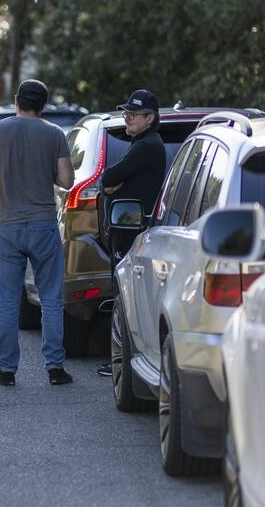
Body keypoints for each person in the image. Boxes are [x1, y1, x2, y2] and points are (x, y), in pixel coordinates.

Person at [0, 79, 76, 387]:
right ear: (43, 105)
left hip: (8, 227)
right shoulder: (55, 134)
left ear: (16, 100)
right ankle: (55, 368)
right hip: (43, 225)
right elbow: (67, 180)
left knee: (7, 302)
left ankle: (6, 370)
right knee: (52, 300)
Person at [96, 89, 166, 377]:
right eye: (126, 113)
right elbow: (106, 182)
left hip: (133, 232)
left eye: (134, 114)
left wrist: (113, 186)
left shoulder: (146, 146)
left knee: (125, 300)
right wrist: (110, 185)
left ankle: (121, 360)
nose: (128, 117)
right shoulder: (140, 143)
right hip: (128, 230)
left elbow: (110, 178)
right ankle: (119, 358)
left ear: (150, 118)